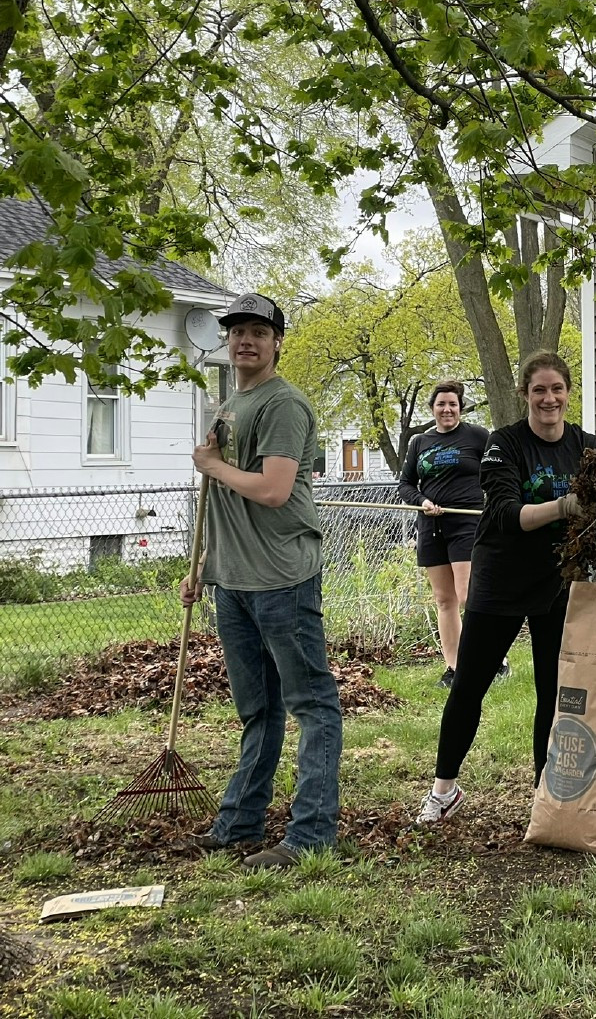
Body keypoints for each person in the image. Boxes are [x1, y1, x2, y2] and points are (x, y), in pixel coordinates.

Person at [181, 292, 344, 868]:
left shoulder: (283, 405)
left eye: (258, 330)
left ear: (277, 342)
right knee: (259, 709)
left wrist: (212, 465)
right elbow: (222, 500)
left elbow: (273, 491)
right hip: (234, 579)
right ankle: (240, 823)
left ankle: (310, 835)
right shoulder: (229, 405)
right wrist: (202, 565)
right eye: (236, 331)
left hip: (281, 577)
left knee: (312, 704)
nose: (245, 339)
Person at [416, 351, 596, 824]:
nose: (549, 398)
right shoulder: (504, 444)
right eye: (539, 390)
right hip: (500, 579)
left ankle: (546, 794)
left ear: (568, 392)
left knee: (552, 693)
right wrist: (563, 506)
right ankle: (444, 789)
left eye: (556, 389)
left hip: (558, 582)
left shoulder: (587, 444)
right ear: (524, 394)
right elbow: (504, 514)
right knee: (469, 685)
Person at [398, 380, 495, 689]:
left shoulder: (478, 437)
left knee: (468, 596)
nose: (447, 409)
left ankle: (495, 659)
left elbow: (500, 471)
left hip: (466, 523)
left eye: (453, 404)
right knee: (444, 599)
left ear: (460, 408)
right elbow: (406, 484)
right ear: (433, 409)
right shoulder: (419, 442)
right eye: (441, 404)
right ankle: (454, 667)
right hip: (431, 525)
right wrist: (422, 501)